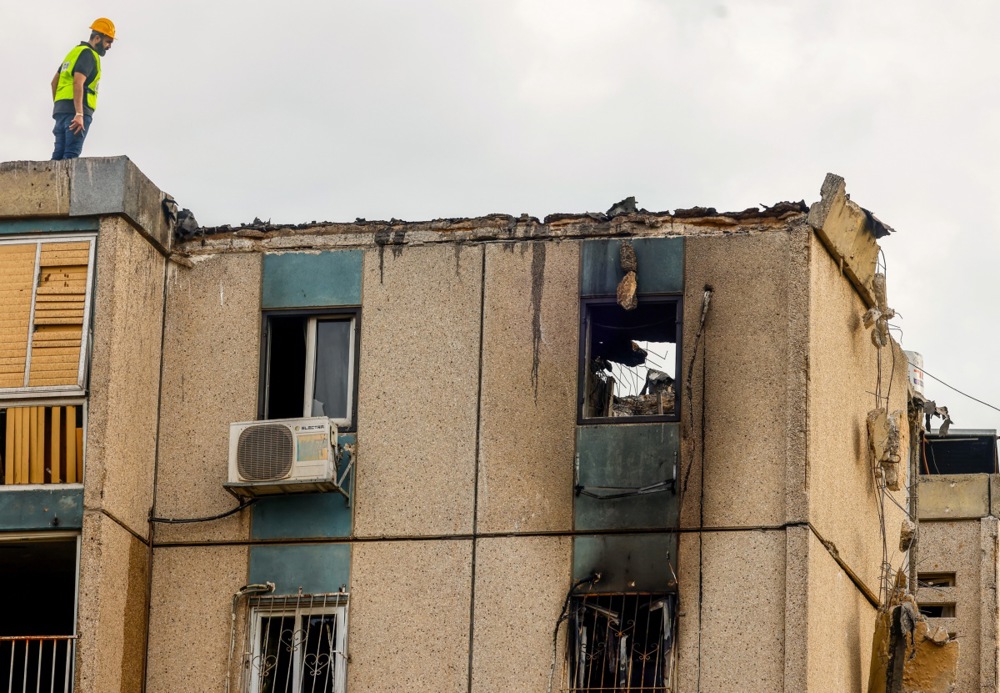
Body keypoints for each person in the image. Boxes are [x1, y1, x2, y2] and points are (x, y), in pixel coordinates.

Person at [50, 18, 115, 160]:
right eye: (108, 41)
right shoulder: (88, 55)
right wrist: (79, 113)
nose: (109, 46)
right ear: (97, 38)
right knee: (71, 155)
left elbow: (54, 82)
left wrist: (60, 106)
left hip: (61, 111)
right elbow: (78, 82)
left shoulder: (74, 52)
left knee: (58, 155)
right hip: (77, 113)